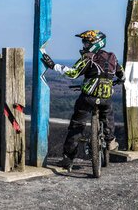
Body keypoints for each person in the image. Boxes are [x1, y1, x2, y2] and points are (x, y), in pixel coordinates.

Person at [42, 30, 125, 169]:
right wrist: (120, 80)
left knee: (76, 125)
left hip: (88, 97)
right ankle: (110, 140)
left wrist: (53, 65)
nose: (84, 45)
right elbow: (121, 74)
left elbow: (73, 73)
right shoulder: (112, 57)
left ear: (95, 43)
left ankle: (68, 159)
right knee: (108, 116)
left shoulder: (88, 58)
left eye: (87, 42)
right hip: (105, 97)